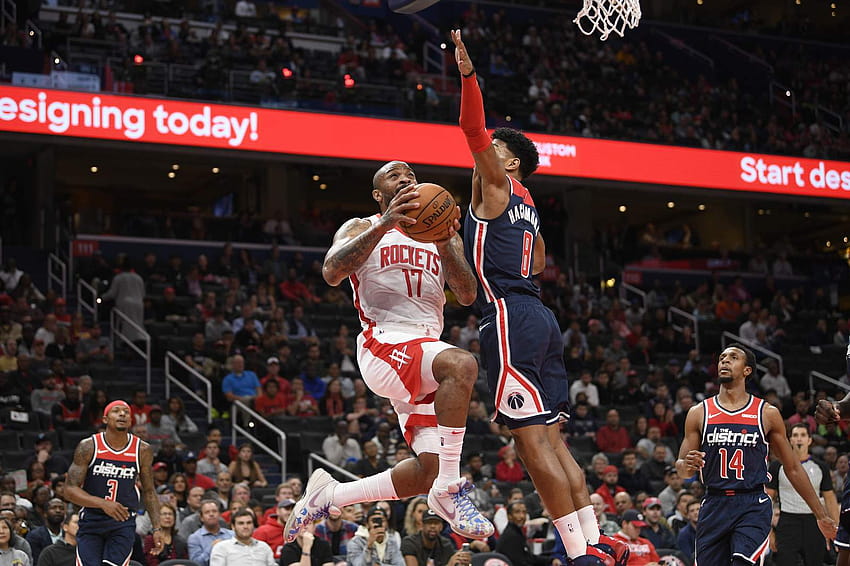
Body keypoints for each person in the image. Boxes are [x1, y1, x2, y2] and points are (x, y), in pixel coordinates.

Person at [451, 29, 614, 564]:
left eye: (495, 153)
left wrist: (468, 74)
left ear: (510, 163)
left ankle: (577, 551)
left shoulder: (497, 184)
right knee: (555, 440)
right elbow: (539, 260)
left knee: (528, 441)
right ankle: (595, 538)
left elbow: (471, 126)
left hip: (506, 314)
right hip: (540, 314)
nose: (484, 156)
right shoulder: (529, 206)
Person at [286, 160, 492, 542]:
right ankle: (450, 488)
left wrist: (447, 243)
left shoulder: (439, 231)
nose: (406, 179)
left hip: (425, 352)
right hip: (386, 343)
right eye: (395, 176)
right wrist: (385, 224)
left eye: (410, 175)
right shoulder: (362, 225)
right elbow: (331, 272)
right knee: (462, 364)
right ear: (379, 196)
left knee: (426, 471)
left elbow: (466, 294)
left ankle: (330, 494)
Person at [677, 344, 837, 566]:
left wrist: (821, 515)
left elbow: (792, 467)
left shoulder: (767, 413)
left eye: (733, 357)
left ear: (747, 370)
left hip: (752, 503)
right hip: (714, 502)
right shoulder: (699, 413)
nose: (724, 361)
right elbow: (682, 469)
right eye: (722, 357)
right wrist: (687, 465)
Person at [65, 400, 163, 566]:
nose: (122, 414)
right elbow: (69, 489)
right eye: (116, 411)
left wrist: (157, 528)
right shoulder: (88, 446)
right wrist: (103, 504)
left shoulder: (142, 450)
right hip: (92, 519)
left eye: (126, 412)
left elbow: (149, 491)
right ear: (105, 419)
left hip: (123, 521)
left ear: (130, 421)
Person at [766, 422, 838, 566]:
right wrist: (769, 533)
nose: (799, 439)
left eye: (803, 435)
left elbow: (830, 500)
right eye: (795, 435)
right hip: (787, 522)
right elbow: (767, 499)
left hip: (815, 523)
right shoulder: (777, 466)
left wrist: (836, 531)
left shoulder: (821, 467)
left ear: (809, 440)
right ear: (790, 440)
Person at [400, 508, 469, 566]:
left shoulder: (446, 544)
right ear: (422, 525)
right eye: (429, 523)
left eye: (436, 523)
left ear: (441, 526)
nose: (432, 526)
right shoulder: (410, 542)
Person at [100, 255, 146, 342]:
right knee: (137, 324)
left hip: (125, 304)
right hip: (139, 304)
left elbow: (112, 294)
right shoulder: (139, 278)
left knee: (124, 324)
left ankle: (122, 342)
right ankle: (137, 341)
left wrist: (101, 298)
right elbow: (143, 294)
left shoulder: (119, 277)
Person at [209, 508, 275, 566]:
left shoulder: (264, 547)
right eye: (241, 523)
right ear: (233, 527)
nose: (245, 526)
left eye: (249, 523)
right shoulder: (221, 548)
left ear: (253, 526)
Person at [187, 499, 233, 566]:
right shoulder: (195, 538)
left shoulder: (231, 535)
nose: (211, 514)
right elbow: (195, 564)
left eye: (214, 511)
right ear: (201, 518)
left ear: (219, 515)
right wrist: (212, 548)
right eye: (207, 512)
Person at [26, 498, 65, 563]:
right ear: (45, 513)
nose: (58, 511)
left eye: (61, 508)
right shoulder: (34, 536)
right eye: (53, 508)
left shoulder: (68, 535)